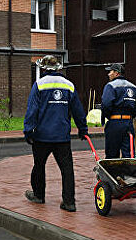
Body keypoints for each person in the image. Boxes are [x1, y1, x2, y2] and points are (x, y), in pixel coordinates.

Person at [23, 55, 88, 212]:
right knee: (67, 169)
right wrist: (82, 128)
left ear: (43, 68)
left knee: (39, 165)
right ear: (58, 68)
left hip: (42, 136)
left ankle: (39, 195)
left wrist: (28, 130)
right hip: (62, 136)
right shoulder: (69, 85)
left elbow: (32, 110)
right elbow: (78, 110)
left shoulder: (39, 84)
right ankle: (69, 202)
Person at [101, 63, 136, 159]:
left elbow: (106, 104)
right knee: (128, 154)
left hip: (114, 123)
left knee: (112, 155)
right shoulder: (133, 87)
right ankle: (128, 172)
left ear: (116, 73)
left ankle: (114, 173)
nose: (108, 74)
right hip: (128, 123)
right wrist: (130, 115)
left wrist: (109, 116)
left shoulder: (110, 86)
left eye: (110, 71)